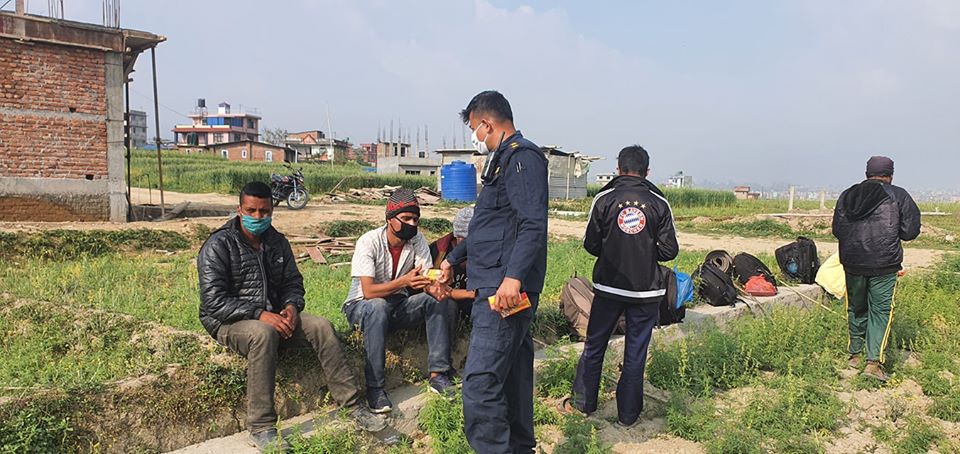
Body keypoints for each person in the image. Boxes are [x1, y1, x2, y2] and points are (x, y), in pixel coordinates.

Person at [198, 182, 384, 453]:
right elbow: (213, 302)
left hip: (273, 314)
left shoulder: (277, 242)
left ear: (272, 211)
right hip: (228, 321)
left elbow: (293, 283)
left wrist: (291, 306)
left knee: (321, 326)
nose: (258, 217)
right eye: (251, 211)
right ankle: (261, 426)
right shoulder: (219, 245)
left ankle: (353, 405)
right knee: (263, 334)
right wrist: (259, 314)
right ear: (239, 210)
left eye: (264, 211)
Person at [440, 90, 548, 453]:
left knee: (480, 383)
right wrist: (451, 260)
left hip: (504, 287)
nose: (475, 136)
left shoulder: (521, 158)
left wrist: (513, 279)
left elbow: (532, 223)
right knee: (513, 376)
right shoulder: (501, 161)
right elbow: (487, 227)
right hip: (496, 281)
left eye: (474, 128)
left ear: (486, 123)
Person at [562, 145, 678, 427]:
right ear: (647, 171)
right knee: (635, 354)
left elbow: (591, 244)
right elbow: (669, 250)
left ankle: (583, 405)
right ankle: (628, 416)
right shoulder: (659, 202)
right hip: (647, 292)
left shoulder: (604, 199)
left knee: (595, 346)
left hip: (609, 289)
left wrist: (613, 247)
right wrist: (646, 251)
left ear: (618, 169)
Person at [342, 188, 457, 414]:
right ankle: (375, 388)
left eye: (415, 219)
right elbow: (368, 291)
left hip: (396, 306)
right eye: (406, 218)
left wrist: (437, 284)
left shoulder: (417, 240)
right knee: (378, 306)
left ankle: (438, 374)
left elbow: (425, 278)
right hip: (361, 307)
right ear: (390, 218)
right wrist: (404, 282)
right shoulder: (369, 241)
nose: (412, 224)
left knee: (436, 301)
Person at [833, 156, 920, 381]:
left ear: (866, 174)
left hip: (852, 262)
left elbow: (837, 230)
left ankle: (855, 356)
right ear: (890, 175)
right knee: (880, 311)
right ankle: (873, 363)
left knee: (856, 307)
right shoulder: (898, 195)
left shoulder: (847, 195)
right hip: (884, 263)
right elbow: (910, 232)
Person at [429, 206, 477, 317]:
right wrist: (473, 294)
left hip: (474, 303)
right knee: (448, 305)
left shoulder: (486, 251)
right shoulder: (438, 252)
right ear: (457, 236)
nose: (468, 245)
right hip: (447, 303)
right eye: (465, 240)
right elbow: (439, 291)